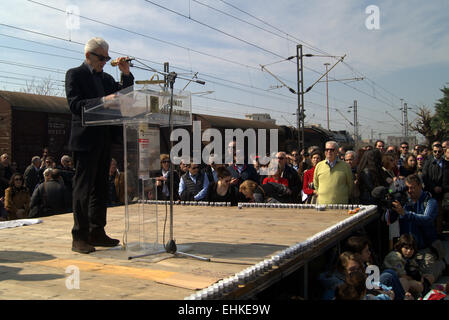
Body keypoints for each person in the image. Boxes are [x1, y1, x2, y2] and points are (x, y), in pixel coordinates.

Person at [65, 37, 134, 254]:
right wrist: (103, 101)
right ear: (88, 56)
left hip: (104, 138)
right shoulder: (74, 74)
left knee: (100, 189)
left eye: (107, 58)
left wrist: (125, 74)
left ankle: (97, 231)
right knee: (83, 189)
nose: (105, 62)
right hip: (85, 141)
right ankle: (79, 237)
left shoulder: (105, 78)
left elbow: (124, 97)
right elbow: (75, 105)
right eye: (101, 58)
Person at [390, 174, 447, 282]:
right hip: (406, 249)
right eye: (408, 188)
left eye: (413, 187)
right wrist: (392, 206)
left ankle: (441, 264)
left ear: (420, 186)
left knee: (427, 276)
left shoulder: (430, 202)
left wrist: (405, 213)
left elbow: (427, 219)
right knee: (395, 271)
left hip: (424, 249)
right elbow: (389, 219)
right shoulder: (404, 201)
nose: (410, 191)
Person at [383, 234, 433, 298]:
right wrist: (417, 280)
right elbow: (402, 275)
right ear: (400, 247)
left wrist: (421, 277)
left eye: (411, 249)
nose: (409, 251)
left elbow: (415, 270)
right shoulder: (394, 257)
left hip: (403, 281)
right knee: (407, 282)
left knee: (429, 277)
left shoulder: (409, 258)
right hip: (390, 285)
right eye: (406, 248)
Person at [422, 141, 445, 234]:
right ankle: (430, 234)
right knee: (430, 213)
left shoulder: (446, 164)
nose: (437, 153)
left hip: (442, 192)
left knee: (440, 214)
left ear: (442, 151)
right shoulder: (428, 163)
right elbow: (425, 177)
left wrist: (442, 187)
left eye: (439, 151)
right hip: (431, 192)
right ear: (432, 152)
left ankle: (439, 233)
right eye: (435, 151)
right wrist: (433, 187)